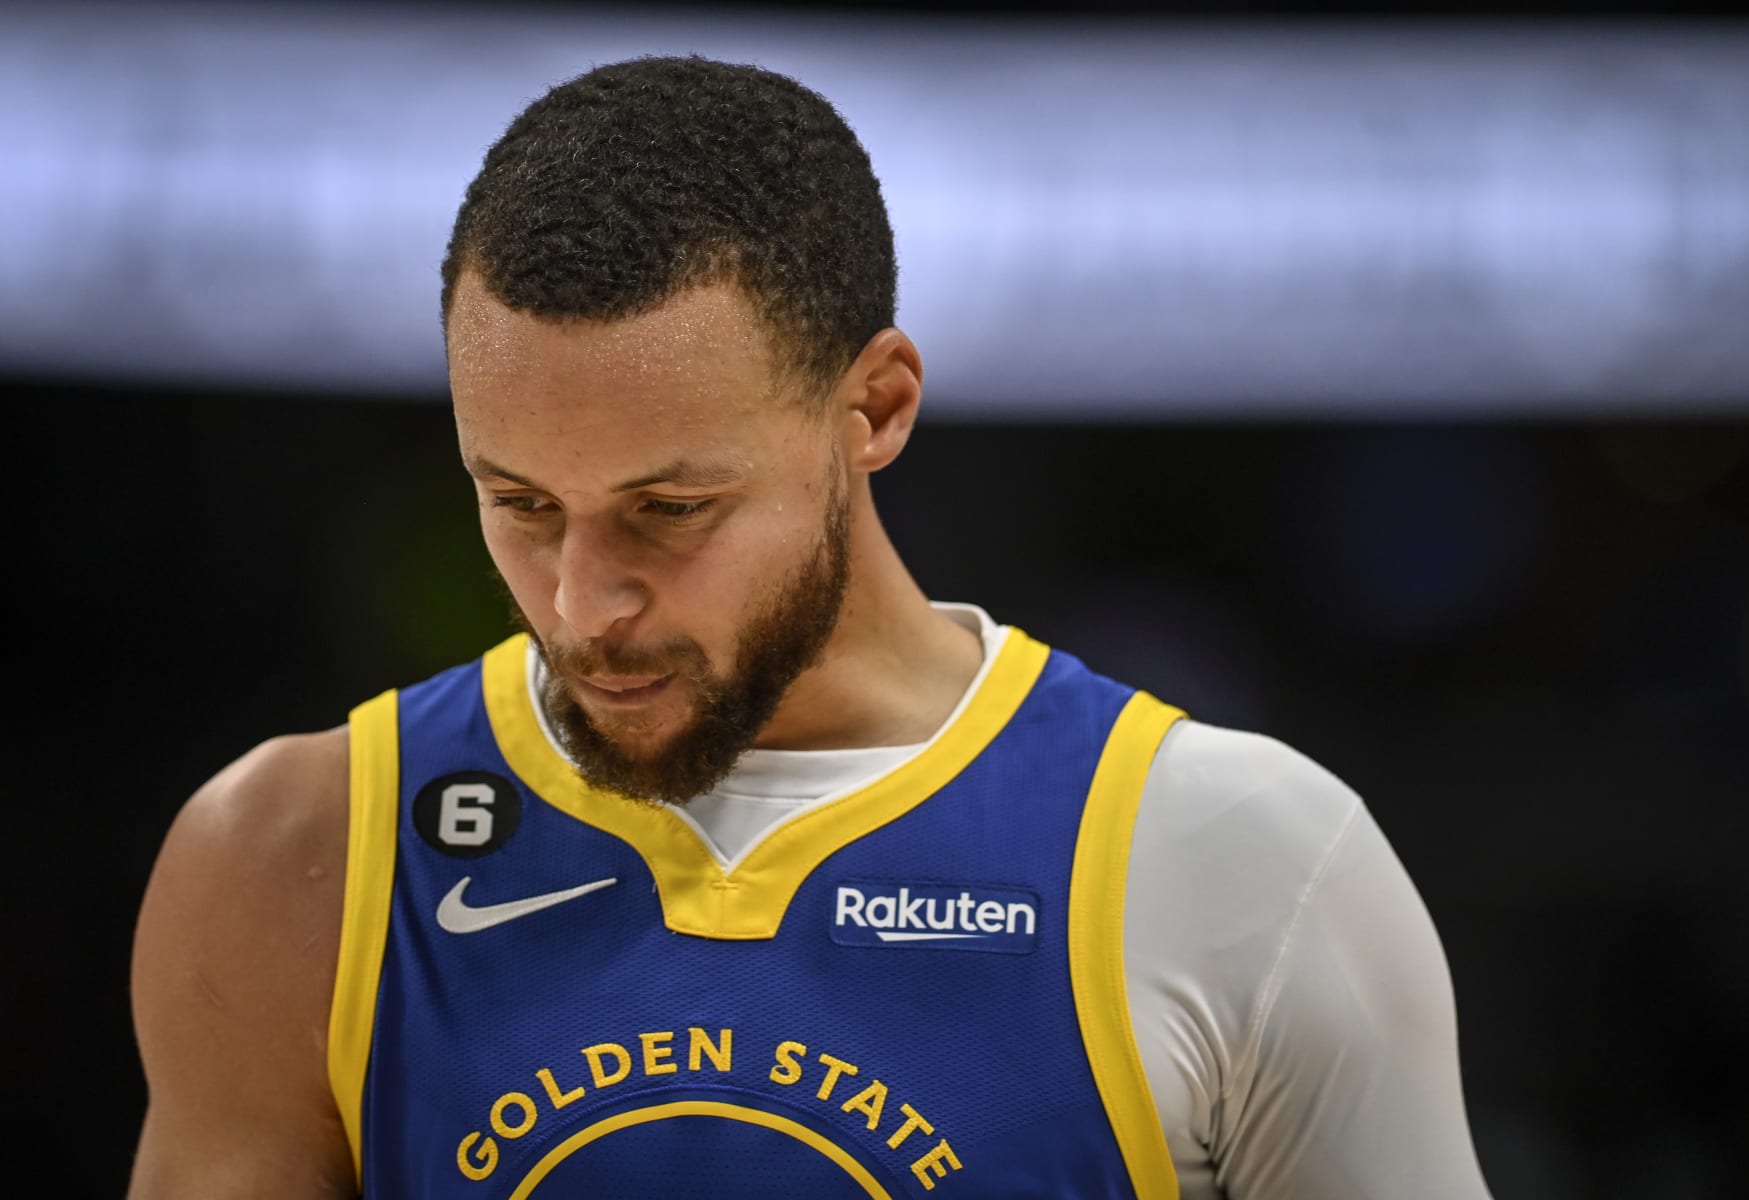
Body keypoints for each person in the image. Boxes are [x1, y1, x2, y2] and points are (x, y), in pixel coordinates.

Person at [129, 56, 1492, 1199]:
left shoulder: (1243, 865)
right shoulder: (291, 862)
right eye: (522, 501)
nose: (580, 600)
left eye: (670, 507)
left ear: (878, 409)